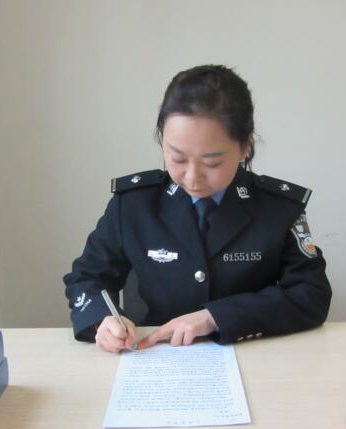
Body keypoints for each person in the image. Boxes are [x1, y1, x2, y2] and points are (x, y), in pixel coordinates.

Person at [63, 65, 331, 353]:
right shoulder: (134, 205)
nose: (193, 177)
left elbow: (311, 294)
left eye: (212, 163)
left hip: (254, 355)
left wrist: (215, 317)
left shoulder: (278, 208)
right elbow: (87, 277)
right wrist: (103, 321)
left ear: (246, 147)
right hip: (157, 355)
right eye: (177, 158)